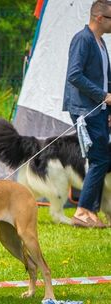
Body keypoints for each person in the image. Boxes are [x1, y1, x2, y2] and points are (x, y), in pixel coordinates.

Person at [63, 0, 111, 229]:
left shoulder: (100, 42)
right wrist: (102, 95)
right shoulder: (83, 39)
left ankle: (90, 211)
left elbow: (104, 78)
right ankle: (83, 211)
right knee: (101, 158)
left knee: (99, 158)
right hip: (84, 110)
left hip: (100, 109)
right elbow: (74, 75)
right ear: (100, 18)